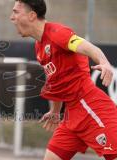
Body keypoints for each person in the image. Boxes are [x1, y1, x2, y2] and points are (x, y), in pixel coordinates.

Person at [10, 0, 117, 160]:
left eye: (16, 12)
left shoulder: (57, 33)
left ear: (32, 15)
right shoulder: (39, 46)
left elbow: (88, 47)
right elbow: (55, 82)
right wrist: (55, 111)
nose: (12, 17)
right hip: (72, 114)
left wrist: (104, 62)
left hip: (91, 107)